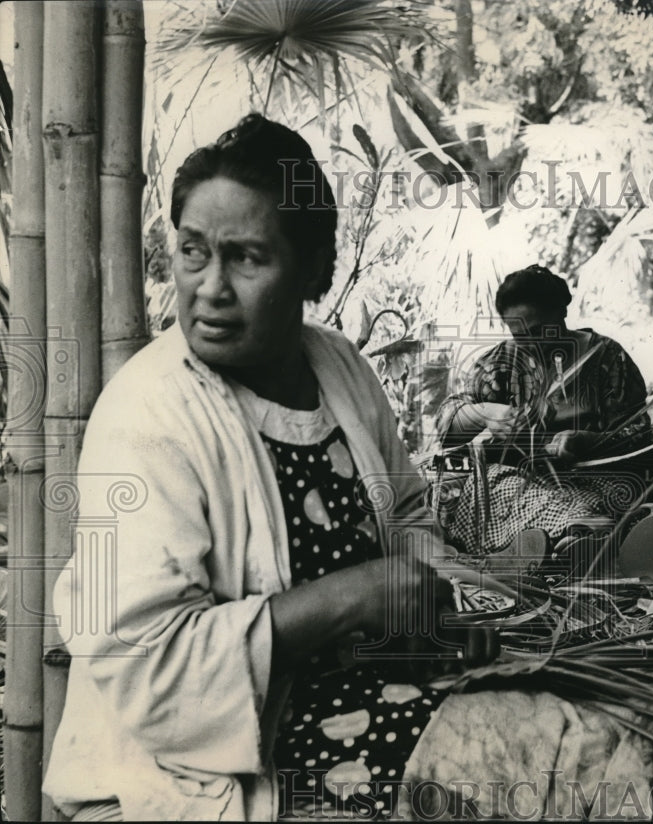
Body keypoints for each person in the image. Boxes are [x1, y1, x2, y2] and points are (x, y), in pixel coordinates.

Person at [42, 114, 499, 821]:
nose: (210, 289)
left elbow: (406, 511)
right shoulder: (140, 417)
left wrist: (430, 608)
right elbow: (141, 674)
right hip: (192, 775)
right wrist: (352, 598)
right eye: (194, 253)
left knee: (548, 751)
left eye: (247, 258)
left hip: (354, 704)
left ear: (315, 266)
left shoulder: (337, 365)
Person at [435, 265, 650, 554]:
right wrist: (485, 412)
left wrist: (588, 441)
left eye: (539, 332)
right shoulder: (501, 363)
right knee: (477, 488)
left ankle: (551, 544)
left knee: (604, 503)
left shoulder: (606, 358)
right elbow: (448, 424)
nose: (531, 346)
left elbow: (637, 435)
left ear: (561, 312)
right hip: (518, 486)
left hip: (591, 482)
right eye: (519, 336)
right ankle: (560, 544)